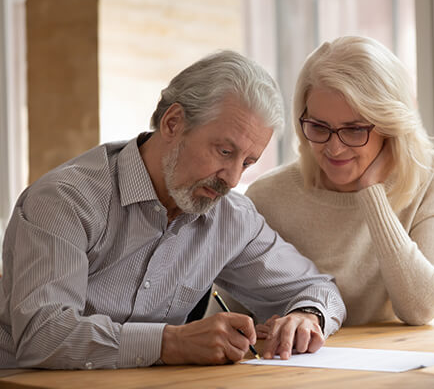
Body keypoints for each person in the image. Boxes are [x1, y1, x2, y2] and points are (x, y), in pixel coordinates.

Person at [0, 50, 346, 370]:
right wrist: (171, 343)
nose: (233, 178)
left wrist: (307, 315)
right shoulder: (64, 200)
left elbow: (319, 289)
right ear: (172, 123)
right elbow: (42, 335)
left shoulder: (231, 217)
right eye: (225, 152)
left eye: (248, 162)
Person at [214, 35, 434, 328]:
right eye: (318, 127)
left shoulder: (428, 175)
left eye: (353, 130)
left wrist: (372, 194)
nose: (334, 148)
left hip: (390, 360)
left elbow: (423, 309)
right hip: (293, 365)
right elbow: (229, 316)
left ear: (390, 127)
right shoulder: (268, 196)